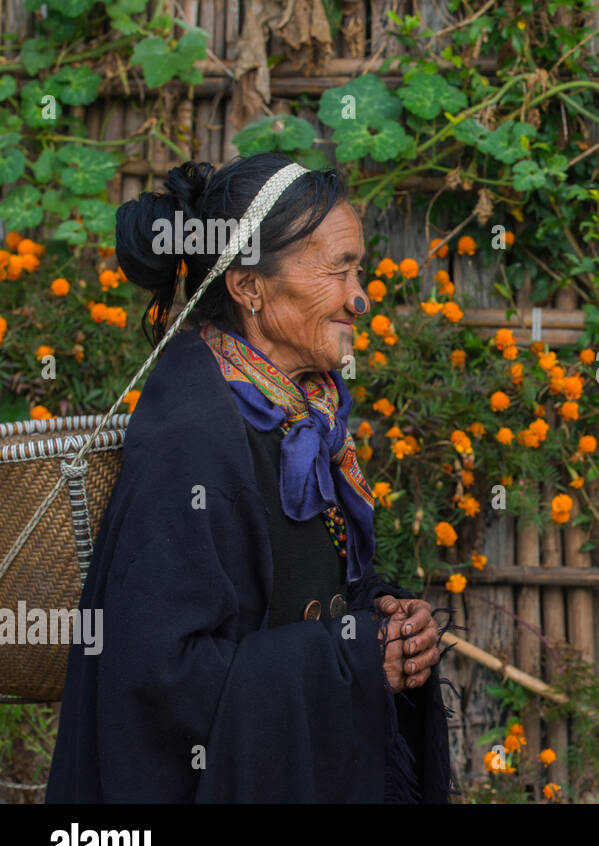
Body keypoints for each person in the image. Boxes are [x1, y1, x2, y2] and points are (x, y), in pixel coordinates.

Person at [47, 153, 453, 802]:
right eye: (336, 270)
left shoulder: (302, 410)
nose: (360, 296)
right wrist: (348, 658)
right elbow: (157, 677)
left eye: (360, 269)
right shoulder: (193, 439)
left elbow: (302, 589)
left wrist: (381, 615)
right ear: (249, 287)